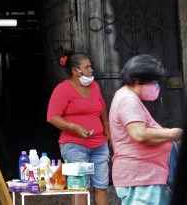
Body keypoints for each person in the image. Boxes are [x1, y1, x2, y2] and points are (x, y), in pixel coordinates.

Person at [110, 54, 182, 205]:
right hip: (142, 179)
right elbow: (140, 134)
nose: (156, 86)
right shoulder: (127, 99)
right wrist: (173, 133)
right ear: (137, 81)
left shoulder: (127, 97)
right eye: (153, 81)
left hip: (145, 177)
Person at [47, 52, 109, 205]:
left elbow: (102, 108)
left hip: (99, 145)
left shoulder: (95, 86)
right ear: (75, 71)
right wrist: (73, 127)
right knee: (80, 188)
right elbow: (52, 117)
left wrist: (107, 130)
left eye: (90, 66)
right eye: (87, 67)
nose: (91, 70)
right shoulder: (62, 89)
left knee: (101, 187)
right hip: (74, 146)